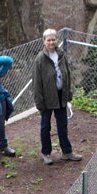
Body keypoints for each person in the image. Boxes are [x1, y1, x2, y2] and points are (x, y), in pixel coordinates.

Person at [32, 28, 82, 165]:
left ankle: (67, 152)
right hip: (47, 98)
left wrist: (68, 93)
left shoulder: (61, 54)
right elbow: (37, 83)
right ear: (44, 41)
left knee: (62, 125)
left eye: (53, 39)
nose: (51, 42)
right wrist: (39, 102)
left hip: (61, 95)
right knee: (45, 127)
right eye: (48, 40)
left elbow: (67, 74)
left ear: (56, 40)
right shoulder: (40, 59)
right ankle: (46, 153)